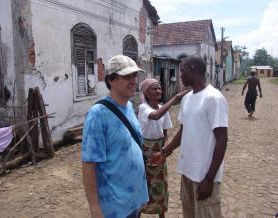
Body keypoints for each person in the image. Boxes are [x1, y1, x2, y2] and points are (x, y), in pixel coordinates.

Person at [152, 56, 228, 218]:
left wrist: (209, 178)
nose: (180, 75)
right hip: (187, 172)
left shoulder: (214, 98)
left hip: (204, 176)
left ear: (193, 70)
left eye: (182, 71)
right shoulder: (187, 98)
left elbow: (222, 140)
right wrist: (165, 152)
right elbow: (183, 131)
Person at [82, 55, 148, 218]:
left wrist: (142, 194)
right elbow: (89, 164)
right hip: (114, 207)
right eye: (127, 76)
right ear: (111, 80)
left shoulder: (130, 107)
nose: (133, 81)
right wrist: (95, 209)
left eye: (134, 76)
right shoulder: (98, 114)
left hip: (133, 201)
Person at [138, 79, 189, 218]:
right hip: (144, 152)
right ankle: (139, 213)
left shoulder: (162, 107)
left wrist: (166, 146)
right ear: (146, 93)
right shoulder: (143, 108)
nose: (158, 91)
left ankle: (161, 214)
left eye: (159, 88)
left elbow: (165, 132)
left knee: (161, 184)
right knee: (144, 185)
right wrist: (177, 97)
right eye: (154, 89)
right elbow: (155, 116)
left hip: (159, 150)